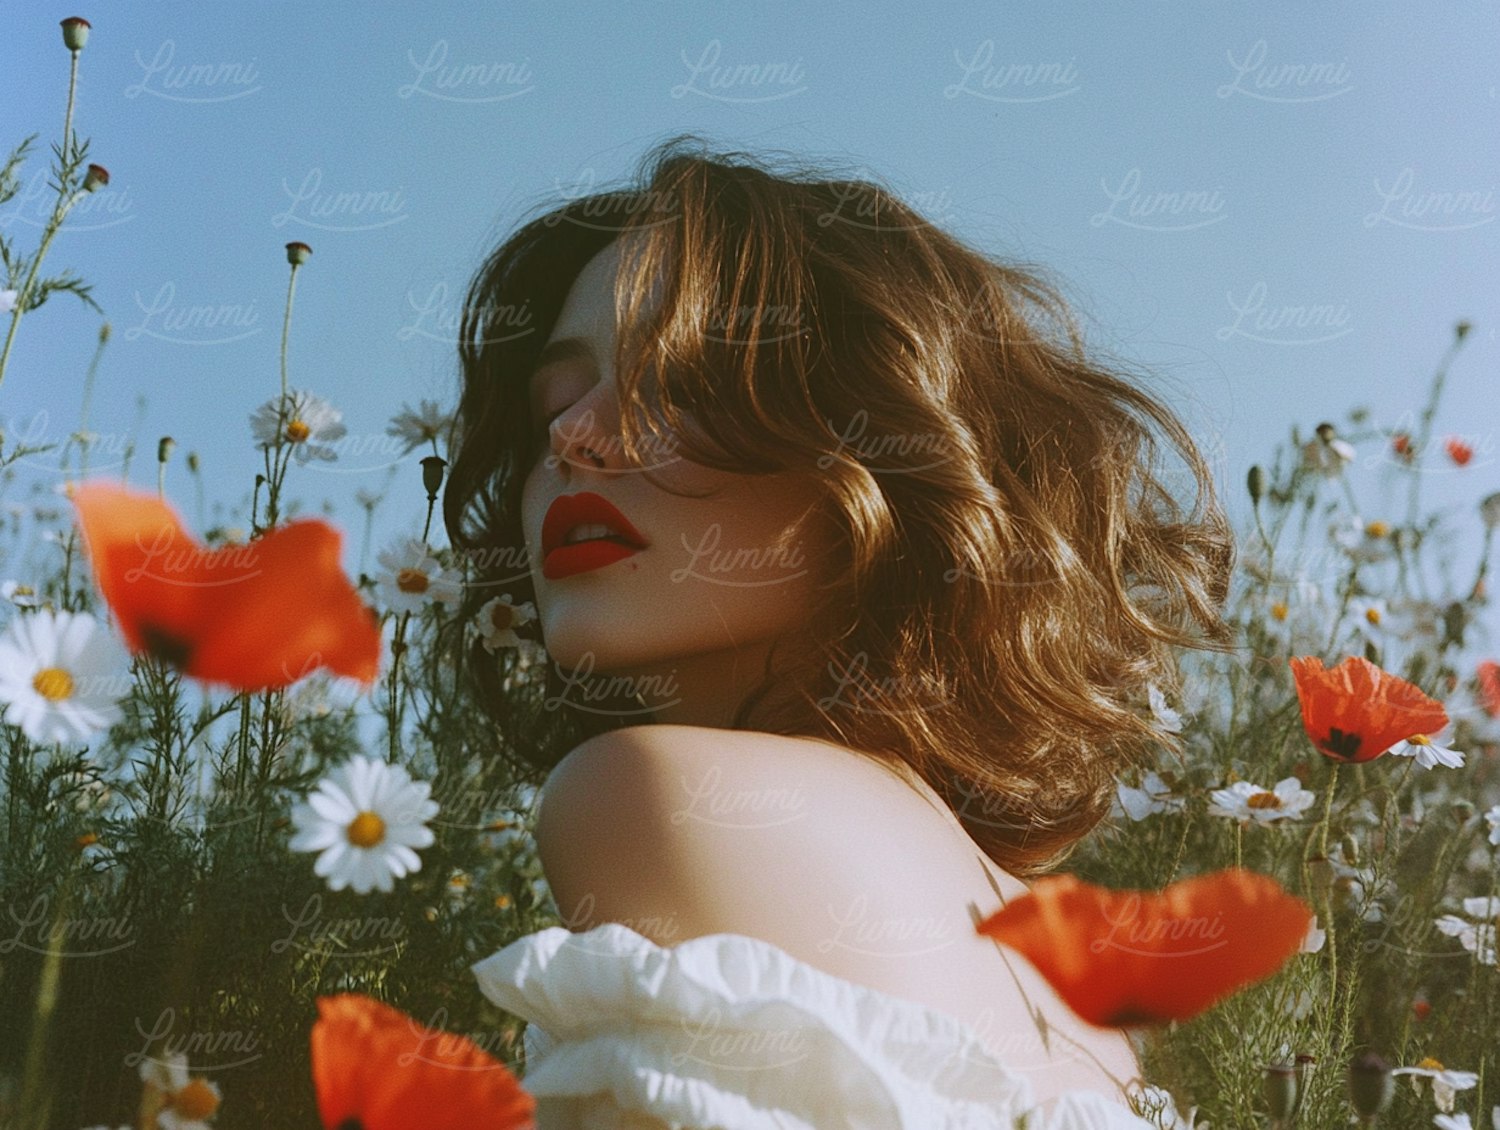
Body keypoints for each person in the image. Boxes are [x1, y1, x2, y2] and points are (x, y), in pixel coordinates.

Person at [442, 135, 1237, 1129]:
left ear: (885, 447)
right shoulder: (1074, 987)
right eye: (555, 400)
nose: (574, 434)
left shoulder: (650, 796)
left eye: (679, 381)